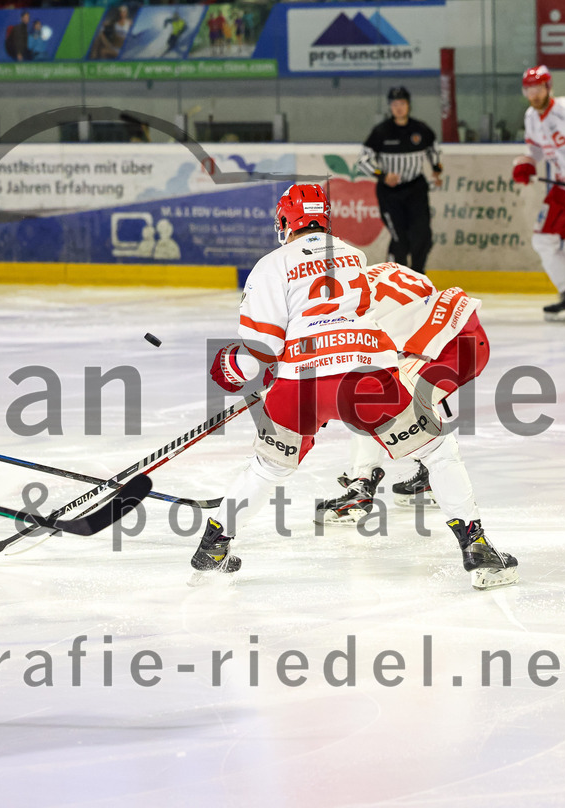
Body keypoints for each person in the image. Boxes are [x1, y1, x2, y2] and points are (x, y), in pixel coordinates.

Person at [197, 184, 518, 591]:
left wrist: (232, 369)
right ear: (325, 218)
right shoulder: (354, 255)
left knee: (269, 467)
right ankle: (478, 549)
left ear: (283, 222)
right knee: (437, 450)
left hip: (302, 387)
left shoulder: (270, 265)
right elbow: (349, 322)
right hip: (366, 377)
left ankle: (214, 545)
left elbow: (262, 349)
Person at [314, 261, 489, 527]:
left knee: (368, 398)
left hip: (451, 351)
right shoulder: (382, 268)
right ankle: (427, 478)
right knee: (403, 392)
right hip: (468, 335)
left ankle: (362, 486)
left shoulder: (346, 307)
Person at [511, 64, 565, 322]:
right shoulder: (531, 116)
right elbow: (535, 148)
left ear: (549, 87)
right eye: (529, 90)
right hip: (562, 186)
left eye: (537, 88)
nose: (534, 95)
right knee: (543, 239)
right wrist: (528, 162)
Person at [356, 87, 442, 275]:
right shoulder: (381, 132)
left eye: (402, 103)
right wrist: (382, 175)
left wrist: (436, 170)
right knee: (400, 239)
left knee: (422, 236)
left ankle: (418, 276)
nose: (399, 108)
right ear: (390, 107)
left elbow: (433, 149)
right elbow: (362, 161)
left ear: (408, 105)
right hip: (390, 194)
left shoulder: (420, 129)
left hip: (415, 188)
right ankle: (393, 277)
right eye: (395, 104)